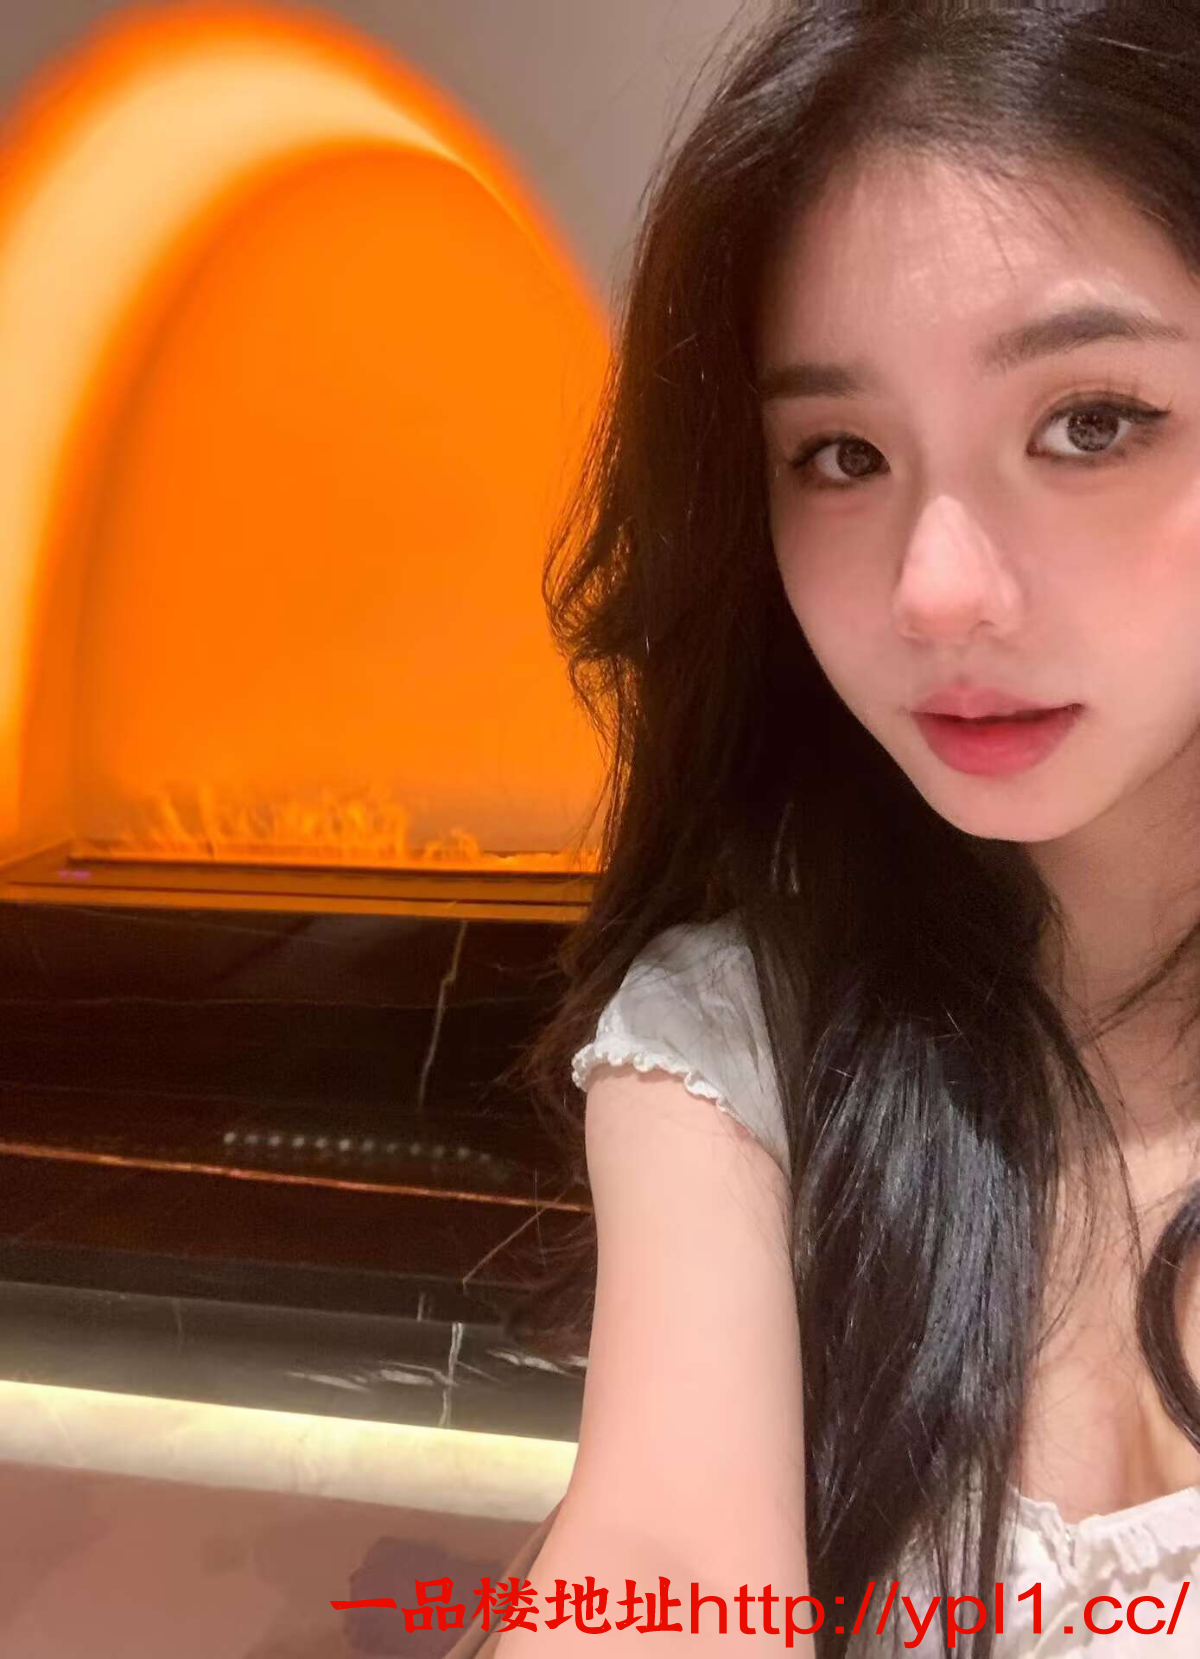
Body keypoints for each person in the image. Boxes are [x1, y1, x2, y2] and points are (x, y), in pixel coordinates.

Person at [460, 3, 1200, 1654]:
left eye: (1091, 421)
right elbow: (659, 1575)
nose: (933, 589)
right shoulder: (743, 1048)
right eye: (841, 453)